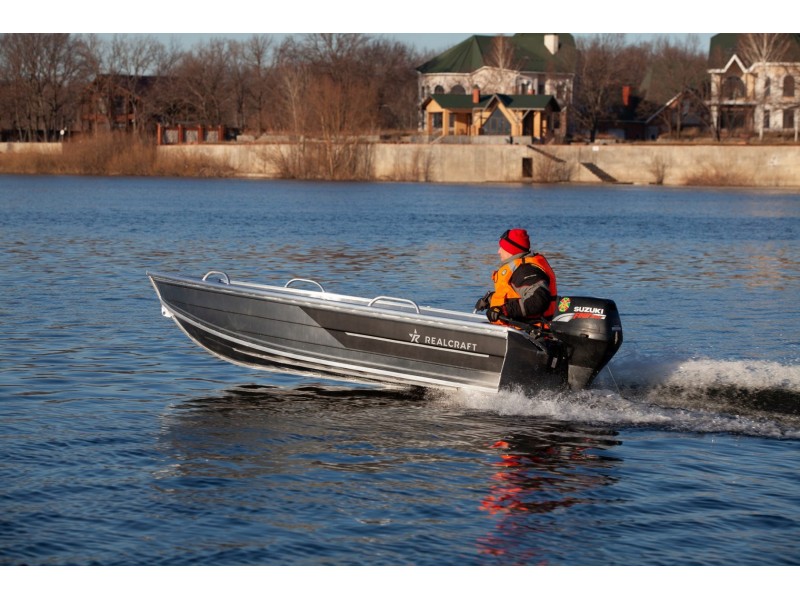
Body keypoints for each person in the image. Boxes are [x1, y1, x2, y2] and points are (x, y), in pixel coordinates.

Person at [474, 228, 557, 326]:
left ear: (511, 250)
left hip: (528, 333)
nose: (498, 251)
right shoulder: (519, 269)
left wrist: (503, 310)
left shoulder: (526, 270)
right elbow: (515, 295)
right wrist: (490, 300)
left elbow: (539, 300)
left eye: (502, 247)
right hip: (514, 329)